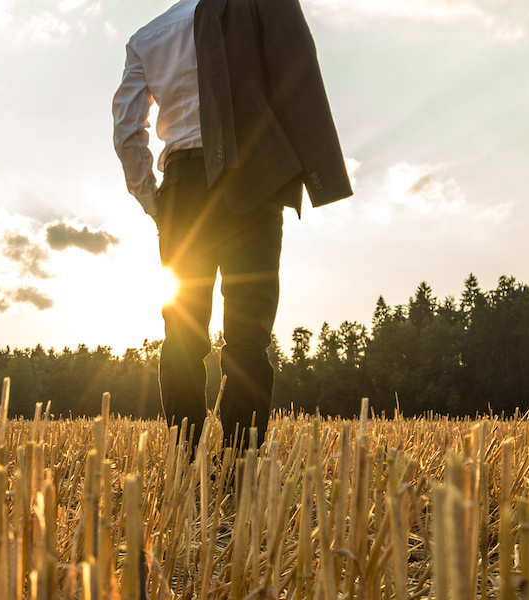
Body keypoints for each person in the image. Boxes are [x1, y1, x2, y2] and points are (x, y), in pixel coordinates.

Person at [113, 0, 353, 450]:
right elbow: (293, 77)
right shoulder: (252, 9)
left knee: (182, 334)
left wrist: (154, 201)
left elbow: (127, 131)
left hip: (182, 190)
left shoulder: (147, 37)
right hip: (252, 179)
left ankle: (186, 462)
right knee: (248, 337)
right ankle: (240, 465)